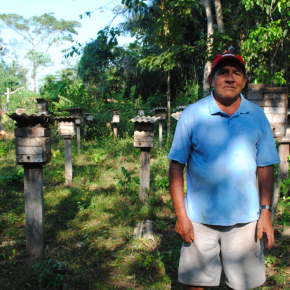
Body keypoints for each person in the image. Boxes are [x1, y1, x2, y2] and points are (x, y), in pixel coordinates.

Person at [168, 51, 280, 290]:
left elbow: (265, 167)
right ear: (212, 79)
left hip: (247, 221)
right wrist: (181, 216)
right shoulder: (192, 115)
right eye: (224, 73)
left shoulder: (257, 116)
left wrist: (266, 215)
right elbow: (176, 166)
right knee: (196, 284)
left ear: (244, 81)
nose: (230, 78)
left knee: (246, 285)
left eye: (237, 73)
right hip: (199, 220)